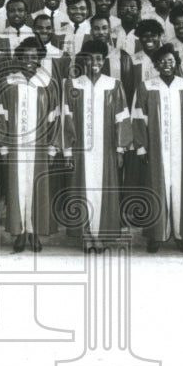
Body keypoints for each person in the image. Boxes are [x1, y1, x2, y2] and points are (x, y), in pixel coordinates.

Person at [0, 39, 62, 252]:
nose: (30, 60)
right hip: (15, 145)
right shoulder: (9, 82)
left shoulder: (47, 82)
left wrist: (51, 146)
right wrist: (3, 145)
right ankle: (19, 232)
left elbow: (54, 116)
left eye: (34, 56)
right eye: (25, 56)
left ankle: (35, 232)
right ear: (18, 58)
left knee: (37, 187)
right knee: (16, 187)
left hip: (39, 145)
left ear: (40, 58)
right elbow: (1, 115)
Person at [132, 44, 183, 253]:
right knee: (157, 188)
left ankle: (182, 235)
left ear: (176, 63)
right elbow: (138, 118)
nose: (166, 64)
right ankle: (156, 235)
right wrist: (142, 148)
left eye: (170, 61)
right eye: (162, 61)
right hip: (157, 148)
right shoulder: (146, 87)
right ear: (155, 64)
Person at [62, 40, 131, 249]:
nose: (94, 62)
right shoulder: (73, 84)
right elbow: (67, 118)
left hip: (107, 148)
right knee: (82, 188)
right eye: (90, 58)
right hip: (81, 149)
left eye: (99, 59)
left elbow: (122, 118)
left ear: (104, 61)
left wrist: (120, 149)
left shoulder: (114, 84)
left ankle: (100, 235)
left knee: (105, 189)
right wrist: (67, 151)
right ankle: (86, 235)